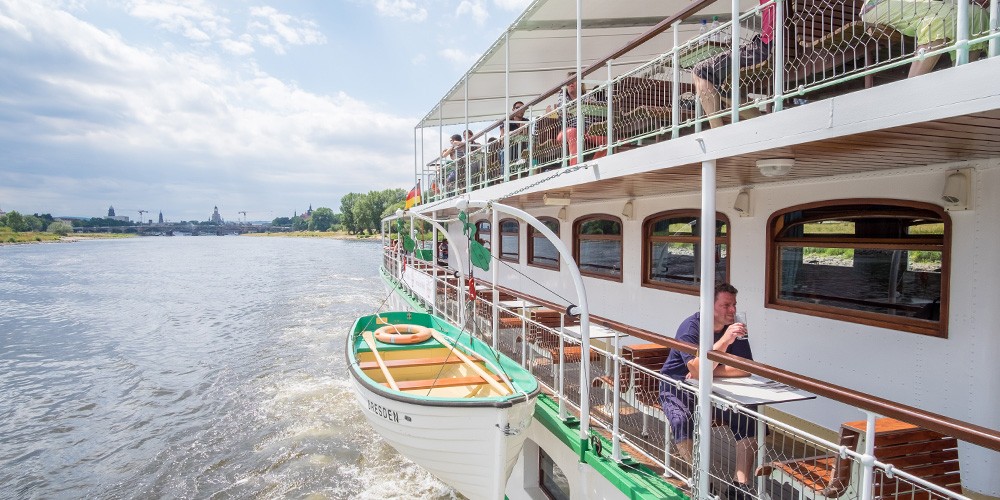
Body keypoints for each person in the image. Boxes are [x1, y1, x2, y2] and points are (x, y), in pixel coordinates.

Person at [659, 282, 755, 499]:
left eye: (734, 305)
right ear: (708, 305)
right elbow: (696, 369)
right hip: (677, 386)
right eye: (726, 305)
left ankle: (739, 487)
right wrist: (724, 341)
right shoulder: (691, 328)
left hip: (714, 388)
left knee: (748, 414)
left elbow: (746, 368)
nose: (732, 310)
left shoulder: (736, 326)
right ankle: (701, 480)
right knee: (681, 420)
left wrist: (707, 371)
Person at [692, 0, 774, 129]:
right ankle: (764, 125)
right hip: (786, 48)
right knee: (726, 87)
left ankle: (717, 131)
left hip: (763, 48)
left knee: (700, 71)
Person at [860, 0, 989, 77]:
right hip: (880, 4)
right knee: (940, 18)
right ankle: (914, 87)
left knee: (976, 14)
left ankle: (962, 78)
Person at [554, 75, 607, 165]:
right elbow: (562, 110)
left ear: (581, 84)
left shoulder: (587, 96)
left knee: (607, 141)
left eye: (574, 80)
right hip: (566, 132)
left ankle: (593, 164)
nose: (570, 83)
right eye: (569, 81)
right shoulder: (563, 96)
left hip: (585, 132)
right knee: (573, 132)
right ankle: (574, 166)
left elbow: (596, 111)